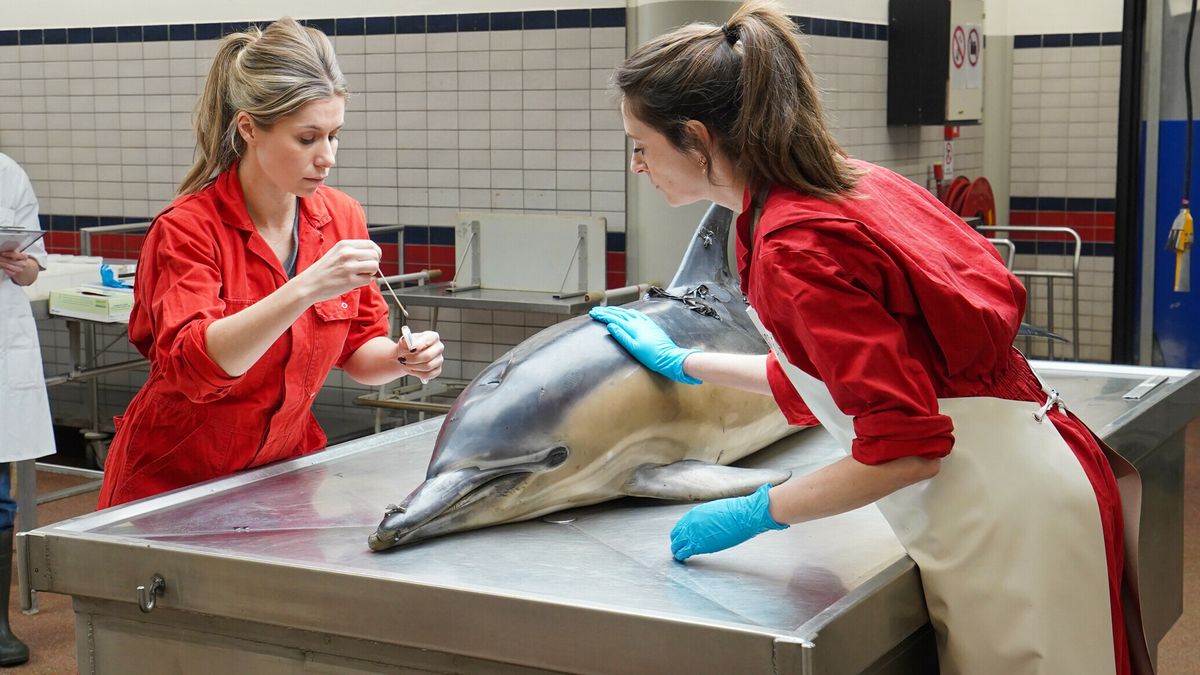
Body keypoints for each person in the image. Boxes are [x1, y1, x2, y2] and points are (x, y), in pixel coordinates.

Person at [589, 3, 1150, 673]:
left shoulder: (793, 244)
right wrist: (689, 362)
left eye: (641, 145)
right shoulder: (836, 186)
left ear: (697, 138)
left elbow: (907, 450)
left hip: (1002, 517)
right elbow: (845, 371)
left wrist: (758, 511)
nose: (636, 166)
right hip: (1030, 472)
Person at [98, 19, 443, 508]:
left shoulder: (342, 217)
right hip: (173, 484)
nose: (327, 158)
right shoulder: (187, 229)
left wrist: (400, 359)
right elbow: (199, 370)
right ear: (249, 129)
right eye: (307, 139)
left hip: (280, 477)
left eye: (334, 135)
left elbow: (360, 346)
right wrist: (304, 288)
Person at [0, 152, 54, 666]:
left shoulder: (7, 173)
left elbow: (35, 266)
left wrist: (23, 266)